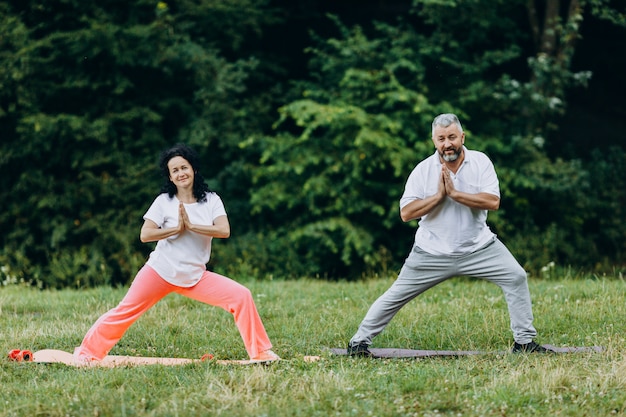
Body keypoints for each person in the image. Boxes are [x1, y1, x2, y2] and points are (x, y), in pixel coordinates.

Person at [347, 113, 548, 356]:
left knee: (516, 277)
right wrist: (438, 197)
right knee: (396, 295)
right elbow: (406, 213)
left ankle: (524, 343)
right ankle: (358, 342)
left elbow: (492, 201)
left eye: (452, 137)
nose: (447, 144)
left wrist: (454, 194)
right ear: (434, 141)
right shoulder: (422, 170)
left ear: (462, 137)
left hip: (480, 249)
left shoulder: (481, 162)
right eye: (441, 138)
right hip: (431, 253)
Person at [73, 143, 279, 364]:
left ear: (194, 169)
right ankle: (87, 353)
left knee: (241, 296)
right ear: (170, 177)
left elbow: (224, 230)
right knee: (125, 311)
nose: (181, 173)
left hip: (195, 277)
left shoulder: (211, 200)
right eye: (175, 170)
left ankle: (260, 353)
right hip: (160, 271)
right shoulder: (164, 201)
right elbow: (146, 234)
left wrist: (192, 226)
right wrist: (175, 229)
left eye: (184, 167)